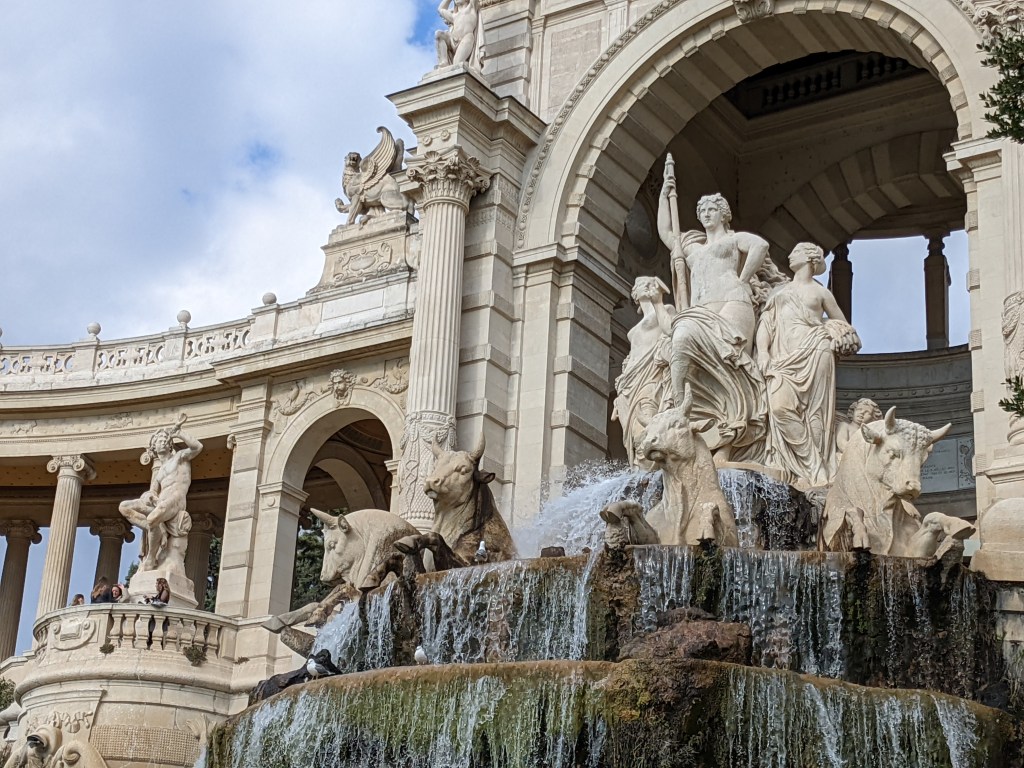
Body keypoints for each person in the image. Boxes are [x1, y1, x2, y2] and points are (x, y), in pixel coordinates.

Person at [656, 175, 776, 462]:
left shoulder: (733, 239)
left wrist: (742, 279)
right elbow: (666, 233)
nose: (707, 214)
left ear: (724, 214)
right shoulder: (692, 248)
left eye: (712, 209)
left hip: (734, 301)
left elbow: (760, 246)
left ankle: (734, 432)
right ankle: (680, 406)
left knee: (732, 361)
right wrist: (664, 194)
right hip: (701, 310)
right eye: (702, 211)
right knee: (681, 340)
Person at [756, 243, 860, 488]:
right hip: (782, 358)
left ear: (810, 258)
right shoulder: (779, 292)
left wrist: (830, 328)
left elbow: (845, 327)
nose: (790, 255)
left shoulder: (821, 293)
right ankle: (809, 465)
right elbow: (766, 324)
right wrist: (762, 352)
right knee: (779, 408)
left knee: (816, 415)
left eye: (796, 251)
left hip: (816, 352)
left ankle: (816, 471)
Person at [119, 416, 202, 572]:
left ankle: (151, 558)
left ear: (170, 445)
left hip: (175, 500)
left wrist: (179, 433)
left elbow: (197, 447)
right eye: (159, 441)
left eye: (165, 440)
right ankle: (160, 528)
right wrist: (149, 495)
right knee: (124, 506)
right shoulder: (159, 473)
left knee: (152, 519)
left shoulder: (179, 457)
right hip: (161, 504)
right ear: (154, 447)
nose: (162, 442)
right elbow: (152, 492)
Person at [612, 276, 676, 467]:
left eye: (642, 284)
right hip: (629, 384)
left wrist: (658, 302)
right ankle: (640, 469)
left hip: (651, 376)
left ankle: (652, 468)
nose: (638, 287)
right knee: (633, 434)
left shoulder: (666, 310)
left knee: (647, 424)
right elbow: (632, 356)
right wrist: (621, 381)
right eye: (637, 285)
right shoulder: (635, 328)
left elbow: (672, 331)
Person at [435, 0, 482, 70]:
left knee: (457, 63)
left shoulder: (471, 8)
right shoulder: (454, 16)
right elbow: (440, 9)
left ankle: (466, 65)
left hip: (466, 39)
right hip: (452, 40)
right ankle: (444, 62)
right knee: (439, 34)